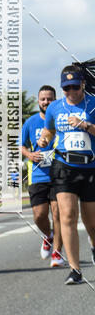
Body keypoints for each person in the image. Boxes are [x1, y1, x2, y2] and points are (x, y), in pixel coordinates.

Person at [38, 64, 95, 284]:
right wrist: (44, 138)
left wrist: (85, 125)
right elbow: (49, 129)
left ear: (82, 84)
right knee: (68, 216)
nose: (70, 92)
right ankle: (75, 270)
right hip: (64, 166)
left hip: (90, 167)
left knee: (91, 222)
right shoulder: (54, 108)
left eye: (74, 87)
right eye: (66, 88)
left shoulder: (92, 104)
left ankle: (92, 243)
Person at [20, 85, 63, 266]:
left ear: (55, 100)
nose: (46, 102)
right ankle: (48, 236)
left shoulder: (61, 121)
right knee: (39, 216)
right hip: (37, 176)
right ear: (38, 101)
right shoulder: (30, 122)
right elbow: (21, 145)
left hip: (59, 174)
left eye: (50, 99)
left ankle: (57, 253)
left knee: (58, 214)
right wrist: (30, 155)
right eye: (43, 99)